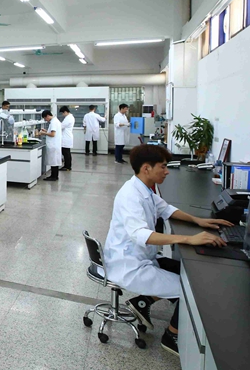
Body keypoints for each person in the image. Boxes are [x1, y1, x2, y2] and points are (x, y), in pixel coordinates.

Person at [103, 145, 231, 355]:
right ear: (146, 168)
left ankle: (143, 302)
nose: (167, 171)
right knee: (193, 291)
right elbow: (141, 235)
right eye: (163, 167)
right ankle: (171, 336)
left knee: (189, 273)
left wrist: (198, 220)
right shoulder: (130, 196)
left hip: (142, 257)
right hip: (128, 265)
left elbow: (167, 209)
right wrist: (189, 239)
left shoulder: (145, 188)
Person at [38, 109, 63, 181]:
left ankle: (53, 177)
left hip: (53, 145)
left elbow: (52, 134)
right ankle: (54, 176)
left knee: (53, 162)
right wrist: (46, 131)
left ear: (48, 116)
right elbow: (52, 132)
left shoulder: (53, 122)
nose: (45, 120)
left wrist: (43, 133)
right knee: (54, 162)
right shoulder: (55, 121)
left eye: (45, 118)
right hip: (55, 144)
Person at [59, 106, 75, 171]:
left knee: (66, 153)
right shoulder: (69, 117)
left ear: (65, 112)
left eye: (62, 113)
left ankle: (67, 167)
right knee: (66, 153)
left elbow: (61, 126)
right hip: (66, 137)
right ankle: (67, 166)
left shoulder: (68, 118)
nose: (62, 114)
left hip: (66, 137)